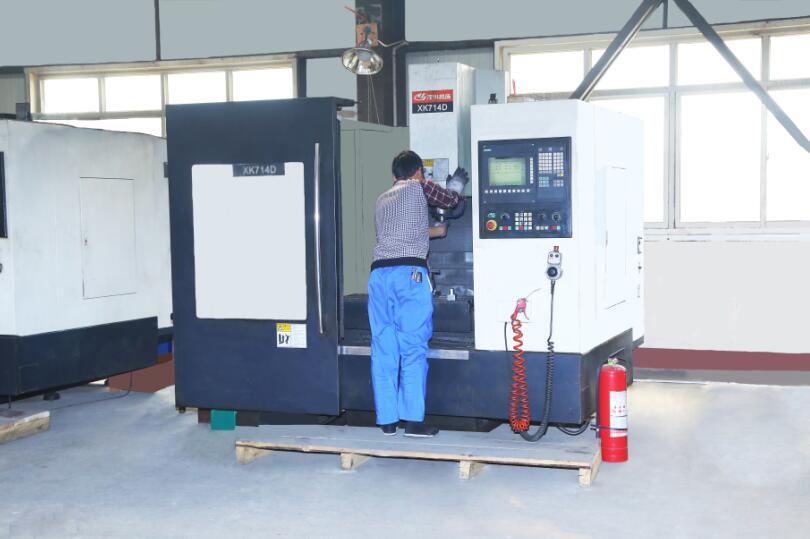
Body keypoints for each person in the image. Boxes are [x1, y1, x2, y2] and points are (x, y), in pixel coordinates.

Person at [368, 150, 468, 437]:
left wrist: (438, 231)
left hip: (379, 276)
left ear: (393, 175)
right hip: (408, 277)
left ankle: (387, 420)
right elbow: (450, 201)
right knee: (412, 348)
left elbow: (404, 235)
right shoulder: (417, 186)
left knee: (384, 348)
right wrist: (455, 186)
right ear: (418, 173)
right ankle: (413, 421)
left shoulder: (382, 199)